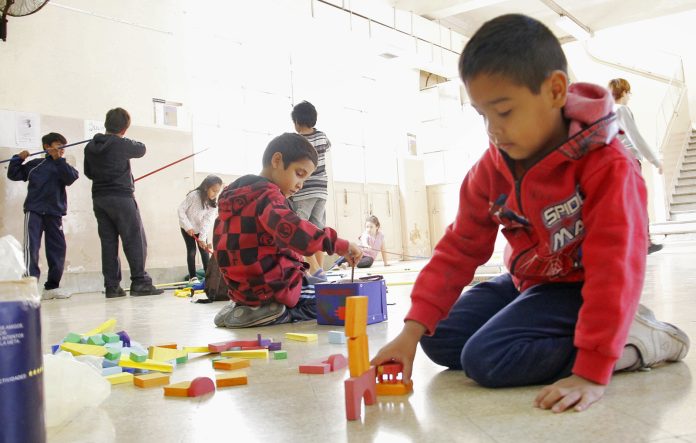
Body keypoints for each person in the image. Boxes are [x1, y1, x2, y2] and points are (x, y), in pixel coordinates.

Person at [371, 14, 690, 414]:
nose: (493, 130)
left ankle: (633, 342)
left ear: (556, 90)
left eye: (504, 112)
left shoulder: (607, 164)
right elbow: (459, 249)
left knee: (486, 359)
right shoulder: (492, 167)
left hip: (582, 287)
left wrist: (592, 371)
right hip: (529, 280)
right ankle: (585, 331)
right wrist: (409, 334)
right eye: (483, 115)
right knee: (438, 337)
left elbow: (615, 267)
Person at [212, 132, 362, 328]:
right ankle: (278, 312)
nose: (300, 185)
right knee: (333, 300)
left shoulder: (235, 197)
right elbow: (296, 232)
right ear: (277, 160)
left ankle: (245, 307)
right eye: (299, 174)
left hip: (243, 288)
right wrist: (339, 245)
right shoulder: (268, 197)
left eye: (305, 179)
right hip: (273, 286)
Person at [84, 107, 163, 298]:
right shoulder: (121, 143)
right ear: (125, 128)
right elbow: (141, 148)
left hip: (99, 198)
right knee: (134, 239)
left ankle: (112, 287)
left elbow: (88, 173)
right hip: (121, 197)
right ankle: (140, 282)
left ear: (106, 124)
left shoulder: (90, 146)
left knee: (108, 243)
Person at [7, 132, 79, 300]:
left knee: (57, 249)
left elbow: (71, 178)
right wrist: (17, 158)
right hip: (34, 211)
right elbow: (14, 174)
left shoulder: (63, 166)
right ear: (47, 147)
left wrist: (59, 160)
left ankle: (52, 287)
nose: (61, 150)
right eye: (58, 146)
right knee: (31, 248)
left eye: (63, 148)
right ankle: (29, 287)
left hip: (55, 213)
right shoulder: (35, 165)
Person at [608, 78, 664, 254]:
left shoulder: (607, 111)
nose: (629, 96)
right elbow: (635, 137)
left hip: (616, 161)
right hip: (629, 160)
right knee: (638, 200)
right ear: (623, 92)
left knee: (624, 203)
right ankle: (644, 243)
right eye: (628, 92)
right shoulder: (622, 109)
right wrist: (655, 160)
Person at [289, 101, 332, 277]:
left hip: (304, 190)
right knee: (317, 230)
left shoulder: (297, 140)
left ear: (297, 121)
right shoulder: (322, 136)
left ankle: (313, 268)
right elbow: (327, 148)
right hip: (321, 189)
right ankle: (319, 271)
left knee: (300, 229)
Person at [177, 175, 223, 282]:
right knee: (192, 250)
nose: (215, 194)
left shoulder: (213, 205)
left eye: (218, 192)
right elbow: (181, 210)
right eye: (214, 191)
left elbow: (207, 222)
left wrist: (202, 237)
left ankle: (209, 278)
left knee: (204, 251)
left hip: (201, 229)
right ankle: (192, 277)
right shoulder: (194, 195)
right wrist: (187, 226)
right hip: (187, 227)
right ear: (206, 187)